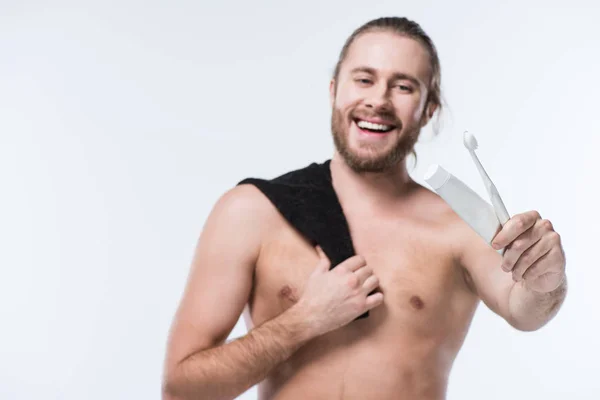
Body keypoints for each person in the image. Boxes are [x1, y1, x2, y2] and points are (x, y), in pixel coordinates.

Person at [161, 16, 567, 400]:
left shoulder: (458, 226)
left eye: (403, 86)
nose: (378, 100)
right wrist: (304, 320)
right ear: (334, 90)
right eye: (364, 79)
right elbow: (181, 390)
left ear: (429, 110)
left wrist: (546, 282)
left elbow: (524, 309)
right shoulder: (251, 212)